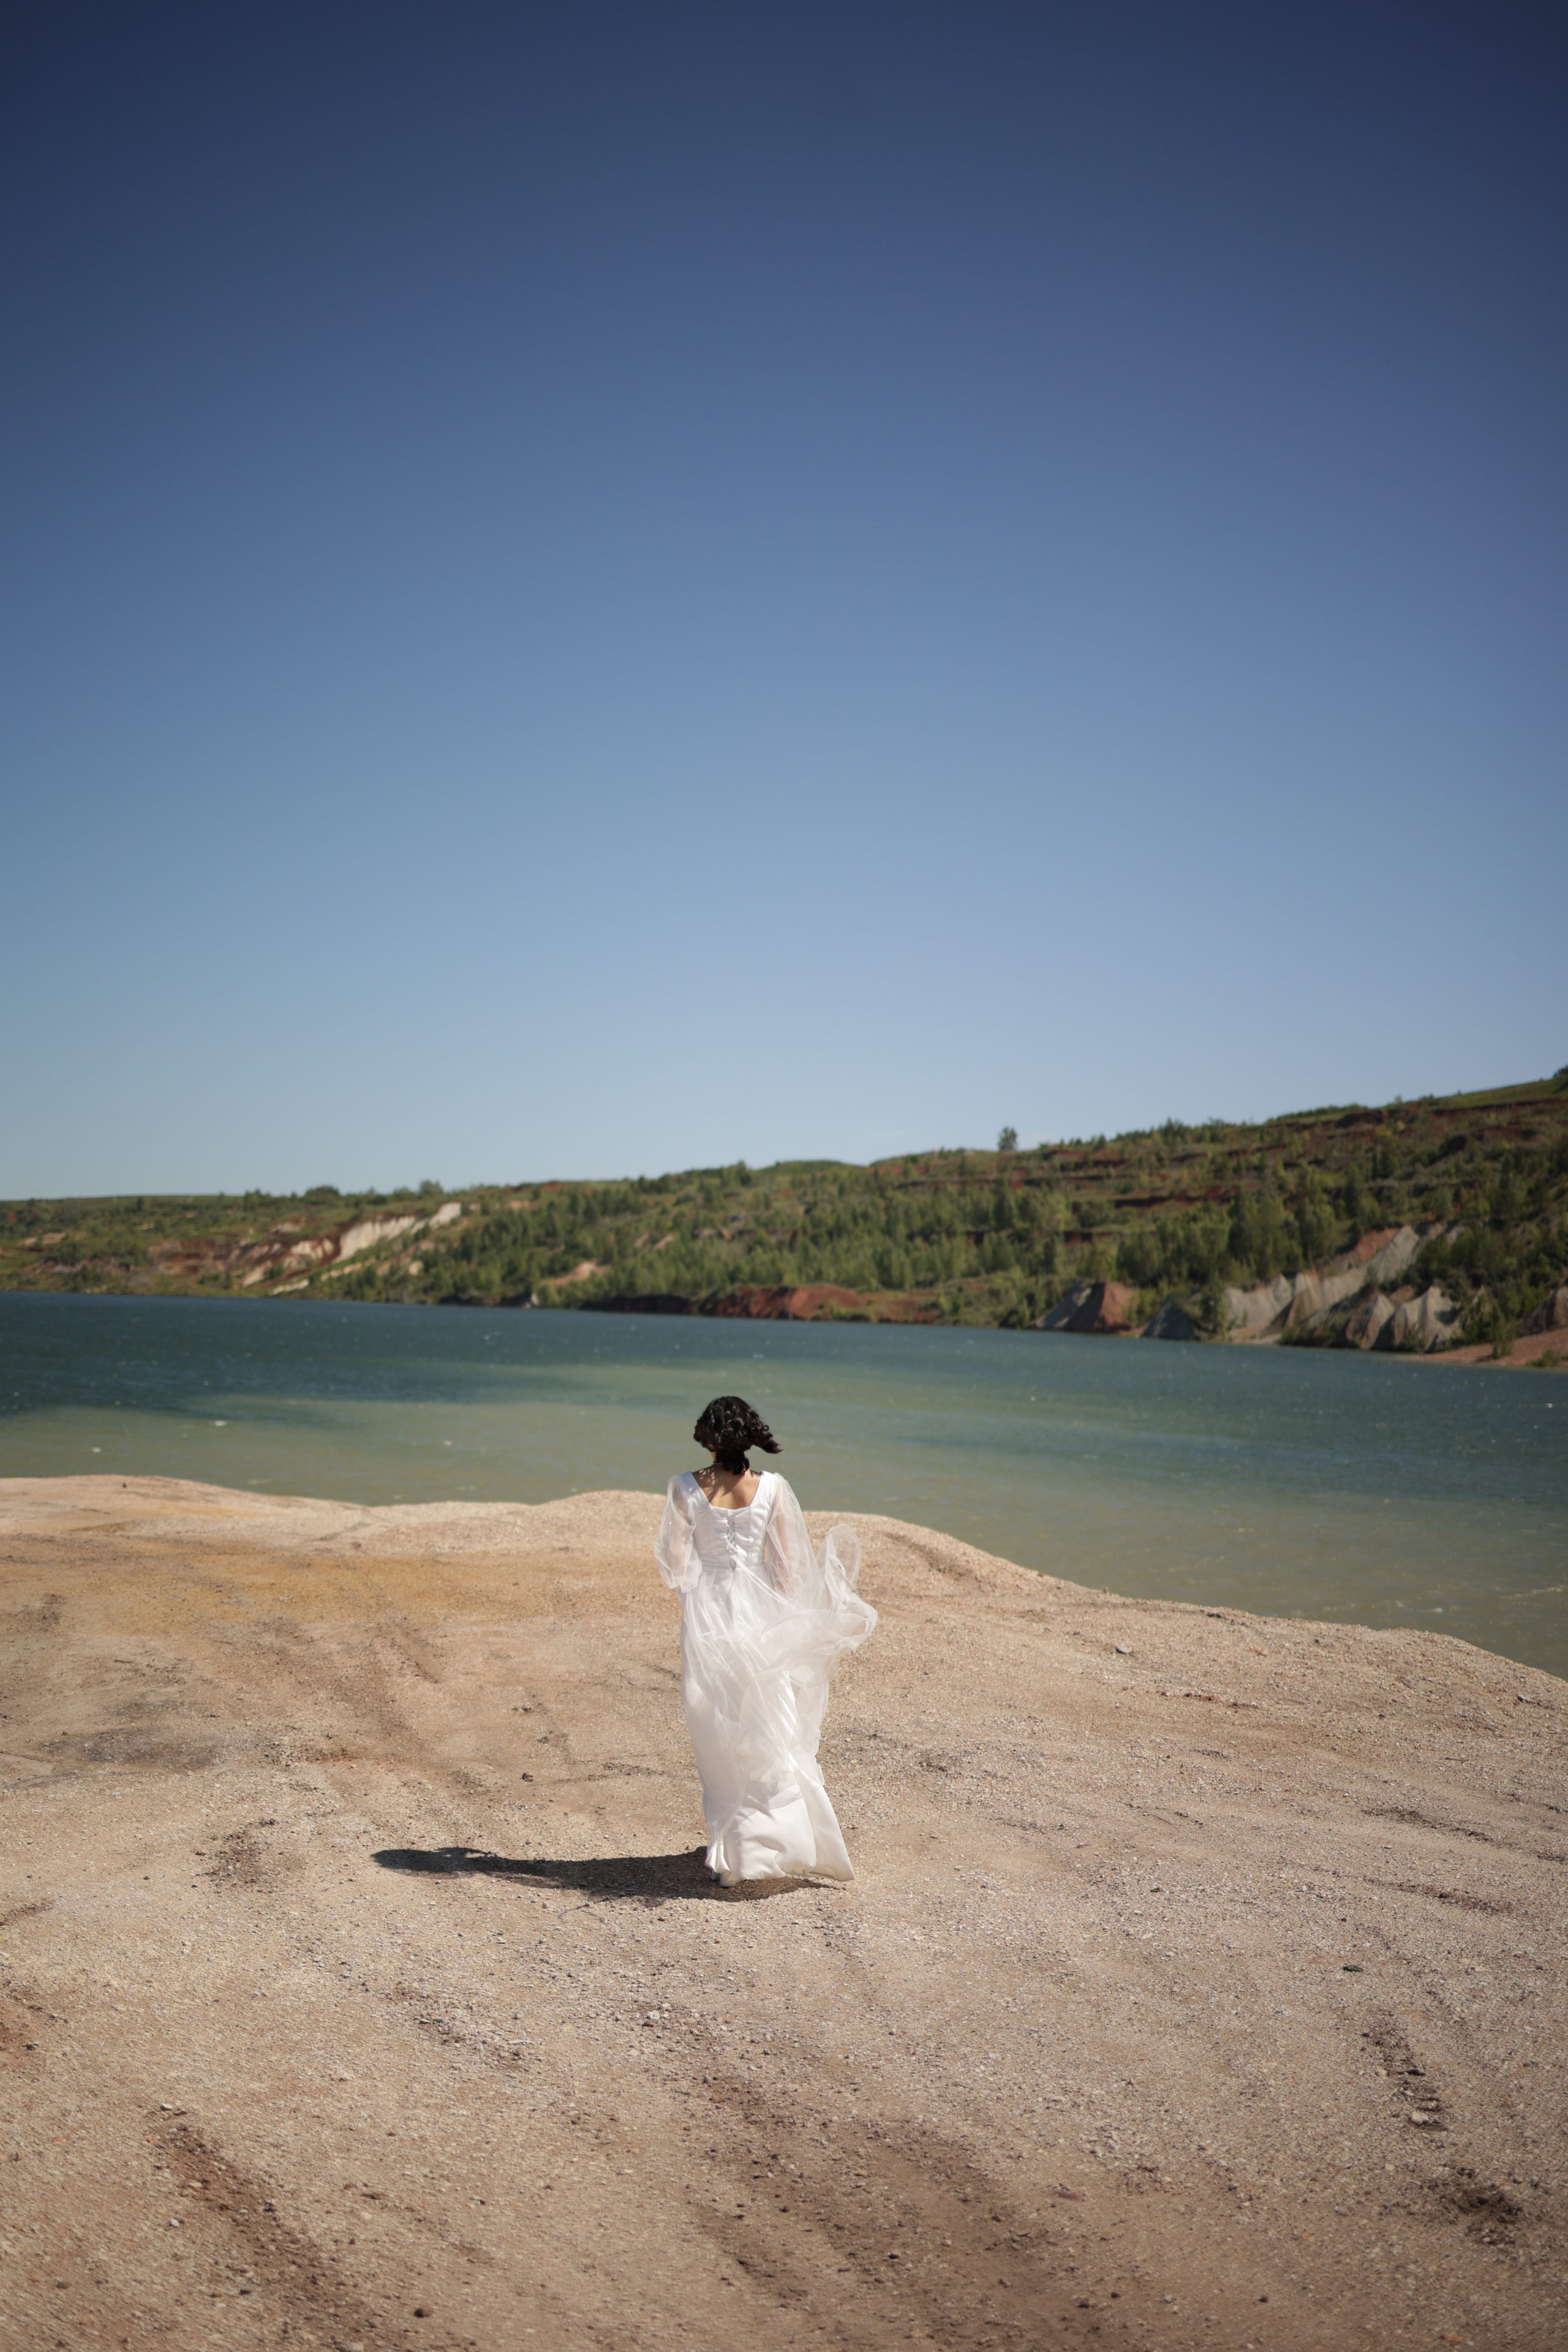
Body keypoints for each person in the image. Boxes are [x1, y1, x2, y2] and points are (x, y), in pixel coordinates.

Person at [654, 1395, 876, 1885]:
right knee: (770, 1724)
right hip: (760, 1616)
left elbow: (673, 1565)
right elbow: (790, 1567)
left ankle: (739, 1853)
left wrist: (701, 1586)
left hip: (712, 1615)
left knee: (720, 1727)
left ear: (709, 1438)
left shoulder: (685, 1488)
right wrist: (787, 1618)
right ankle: (789, 1841)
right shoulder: (773, 1488)